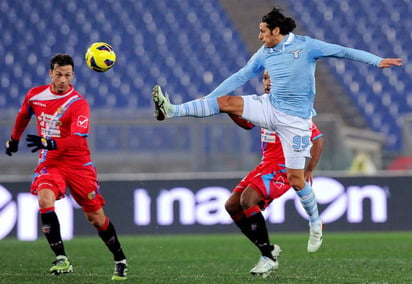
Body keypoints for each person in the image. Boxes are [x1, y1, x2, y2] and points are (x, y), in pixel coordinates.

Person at [151, 4, 401, 263]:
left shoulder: (306, 46)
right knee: (225, 102)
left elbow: (342, 52)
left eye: (262, 31)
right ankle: (171, 110)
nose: (259, 37)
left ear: (276, 30)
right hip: (270, 107)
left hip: (296, 122)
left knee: (296, 180)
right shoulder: (265, 52)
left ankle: (316, 222)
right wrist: (211, 99)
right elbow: (241, 76)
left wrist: (376, 61)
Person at [5, 54, 127, 281]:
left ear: (73, 76)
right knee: (44, 200)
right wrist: (13, 140)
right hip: (50, 162)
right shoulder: (35, 95)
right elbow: (23, 115)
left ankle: (120, 258)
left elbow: (79, 139)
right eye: (59, 74)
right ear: (51, 73)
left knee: (96, 218)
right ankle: (62, 258)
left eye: (67, 75)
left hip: (78, 164)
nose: (63, 79)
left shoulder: (78, 103)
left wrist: (50, 142)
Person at [225, 70, 324, 278]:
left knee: (248, 199)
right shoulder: (265, 105)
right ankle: (268, 250)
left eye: (273, 78)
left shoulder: (292, 109)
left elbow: (318, 139)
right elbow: (247, 124)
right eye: (265, 78)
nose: (268, 83)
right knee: (231, 205)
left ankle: (267, 257)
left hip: (282, 168)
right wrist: (229, 110)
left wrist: (309, 169)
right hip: (264, 166)